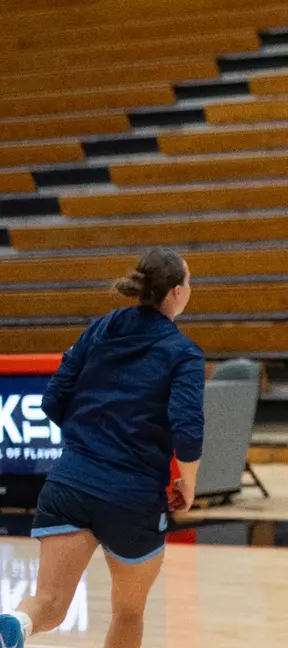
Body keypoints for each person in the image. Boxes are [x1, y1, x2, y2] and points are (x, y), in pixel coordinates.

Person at [0, 247, 204, 648]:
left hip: (70, 483)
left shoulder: (102, 327)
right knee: (128, 612)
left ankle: (18, 624)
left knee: (49, 604)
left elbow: (53, 398)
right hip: (132, 496)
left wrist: (87, 443)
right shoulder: (184, 353)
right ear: (177, 292)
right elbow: (188, 428)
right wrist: (189, 482)